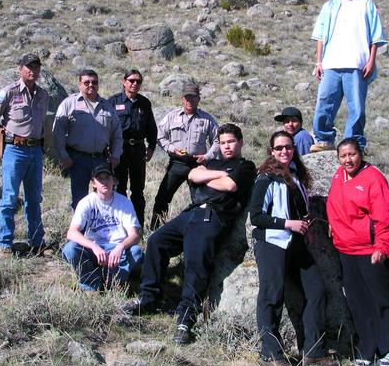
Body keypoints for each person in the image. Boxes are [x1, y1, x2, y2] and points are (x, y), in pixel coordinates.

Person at [125, 124, 256, 345]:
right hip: (192, 213)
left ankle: (186, 319)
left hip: (213, 217)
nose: (226, 146)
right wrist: (218, 174)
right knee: (157, 240)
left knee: (195, 263)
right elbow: (193, 175)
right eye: (222, 142)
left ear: (240, 142)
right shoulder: (214, 162)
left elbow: (231, 186)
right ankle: (148, 298)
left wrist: (210, 178)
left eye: (231, 142)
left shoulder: (246, 166)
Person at [249, 131, 337, 366]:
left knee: (317, 290)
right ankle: (271, 354)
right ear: (271, 151)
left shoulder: (296, 177)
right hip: (272, 243)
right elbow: (256, 217)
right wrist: (289, 223)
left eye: (288, 147)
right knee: (272, 296)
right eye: (278, 148)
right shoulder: (265, 178)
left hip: (297, 243)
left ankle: (314, 352)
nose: (284, 152)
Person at [326, 138, 389, 366]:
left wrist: (382, 246)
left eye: (352, 154)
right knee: (357, 302)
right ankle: (368, 349)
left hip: (370, 250)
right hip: (346, 250)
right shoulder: (338, 176)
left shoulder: (373, 178)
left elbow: (386, 217)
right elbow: (334, 205)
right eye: (343, 156)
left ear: (360, 154)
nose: (347, 159)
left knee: (381, 299)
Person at [309, 0, 387, 152]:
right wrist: (319, 62)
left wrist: (371, 60)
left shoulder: (365, 3)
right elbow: (320, 36)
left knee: (357, 107)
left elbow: (375, 36)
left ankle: (353, 144)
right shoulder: (329, 6)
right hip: (331, 64)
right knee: (325, 102)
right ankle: (324, 139)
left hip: (357, 64)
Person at [0, 53, 49, 255]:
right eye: (29, 67)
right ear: (20, 69)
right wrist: (2, 140)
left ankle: (36, 242)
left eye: (36, 67)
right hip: (15, 150)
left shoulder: (43, 94)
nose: (33, 71)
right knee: (10, 197)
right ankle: (5, 243)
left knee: (34, 198)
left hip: (35, 151)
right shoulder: (9, 92)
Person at [62, 163, 143, 292]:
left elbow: (134, 235)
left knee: (136, 252)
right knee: (70, 249)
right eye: (100, 179)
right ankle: (91, 283)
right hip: (95, 249)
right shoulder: (86, 202)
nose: (104, 182)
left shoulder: (124, 202)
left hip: (116, 250)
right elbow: (71, 233)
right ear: (93, 183)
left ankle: (111, 282)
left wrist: (120, 247)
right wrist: (94, 246)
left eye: (107, 178)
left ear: (114, 180)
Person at [150, 82, 219, 230]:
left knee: (201, 201)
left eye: (193, 97)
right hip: (177, 163)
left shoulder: (207, 119)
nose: (189, 101)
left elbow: (218, 140)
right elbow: (160, 135)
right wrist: (171, 149)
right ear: (182, 98)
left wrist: (207, 156)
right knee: (162, 197)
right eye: (187, 97)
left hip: (198, 165)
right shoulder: (172, 116)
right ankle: (155, 230)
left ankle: (200, 230)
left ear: (198, 99)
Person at [52, 69, 123, 210]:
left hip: (101, 159)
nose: (91, 85)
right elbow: (57, 132)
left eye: (94, 82)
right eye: (87, 82)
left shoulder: (107, 106)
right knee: (79, 200)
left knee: (105, 197)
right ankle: (80, 231)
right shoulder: (69, 104)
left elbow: (117, 134)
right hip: (78, 160)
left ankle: (101, 230)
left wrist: (115, 155)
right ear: (80, 84)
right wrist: (63, 156)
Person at [108, 69, 157, 234]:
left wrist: (151, 147)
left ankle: (138, 228)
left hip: (138, 150)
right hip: (119, 150)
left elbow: (151, 127)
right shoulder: (113, 102)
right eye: (131, 80)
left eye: (138, 81)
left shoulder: (144, 103)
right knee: (119, 189)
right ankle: (120, 228)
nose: (134, 83)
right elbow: (106, 126)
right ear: (124, 81)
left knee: (137, 191)